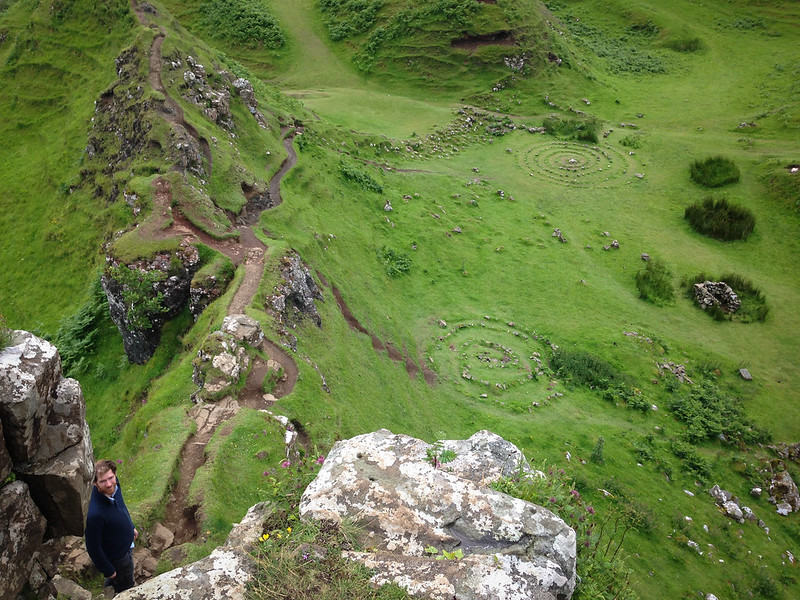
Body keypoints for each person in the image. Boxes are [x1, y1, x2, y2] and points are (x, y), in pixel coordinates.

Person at [85, 459, 139, 594]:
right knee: (125, 585)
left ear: (115, 474)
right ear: (95, 483)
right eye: (103, 481)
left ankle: (109, 586)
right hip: (117, 557)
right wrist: (107, 569)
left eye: (111, 478)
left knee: (119, 578)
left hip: (126, 545)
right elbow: (93, 546)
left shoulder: (115, 487)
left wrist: (131, 526)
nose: (109, 484)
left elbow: (121, 506)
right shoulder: (95, 514)